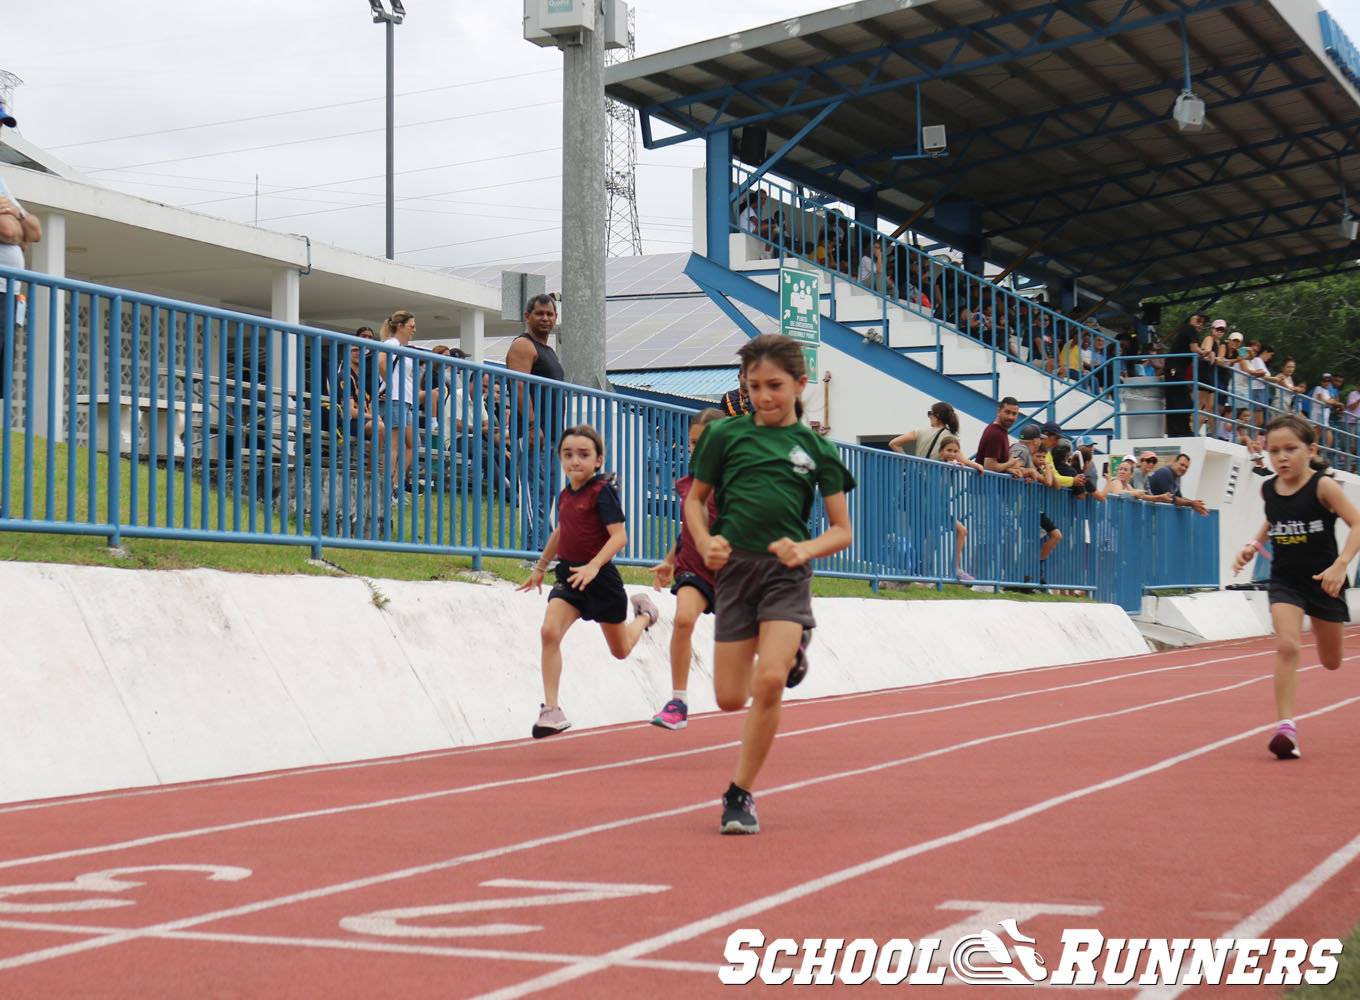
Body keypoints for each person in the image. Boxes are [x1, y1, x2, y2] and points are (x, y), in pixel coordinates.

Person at [685, 334, 855, 834]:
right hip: (735, 572)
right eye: (754, 386)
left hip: (786, 572)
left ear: (800, 385)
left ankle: (740, 793)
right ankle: (786, 651)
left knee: (770, 681)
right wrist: (705, 540)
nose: (763, 396)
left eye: (775, 386)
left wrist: (806, 549)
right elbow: (695, 500)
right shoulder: (723, 436)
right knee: (729, 698)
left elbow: (842, 530)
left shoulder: (818, 449)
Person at [517, 424, 661, 739]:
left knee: (621, 650)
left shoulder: (602, 492)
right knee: (549, 632)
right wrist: (541, 567)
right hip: (569, 577)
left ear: (598, 460)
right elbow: (561, 531)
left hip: (601, 580)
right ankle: (552, 710)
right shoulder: (565, 494)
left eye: (583, 455)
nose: (575, 461)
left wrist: (594, 566)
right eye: (568, 454)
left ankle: (645, 615)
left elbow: (619, 536)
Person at [1233, 415, 1360, 759]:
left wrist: (1340, 564)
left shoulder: (1323, 486)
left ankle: (1323, 623)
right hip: (1285, 580)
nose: (1282, 457)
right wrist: (1253, 544)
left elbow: (1357, 522)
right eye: (1274, 451)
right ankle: (1286, 727)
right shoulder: (1268, 488)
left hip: (1324, 581)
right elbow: (1273, 518)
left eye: (1290, 449)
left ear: (1311, 450)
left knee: (1331, 661)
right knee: (1287, 644)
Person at [648, 407, 726, 731]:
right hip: (694, 565)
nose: (697, 449)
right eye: (693, 443)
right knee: (683, 620)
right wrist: (669, 560)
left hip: (734, 570)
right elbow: (689, 527)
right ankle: (678, 701)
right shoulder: (688, 484)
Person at [507, 294, 567, 543]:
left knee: (548, 492)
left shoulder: (548, 351)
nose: (545, 318)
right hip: (534, 433)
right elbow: (519, 386)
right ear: (527, 316)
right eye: (539, 313)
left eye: (549, 314)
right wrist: (532, 426)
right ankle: (534, 551)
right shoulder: (523, 345)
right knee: (536, 492)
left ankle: (544, 548)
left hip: (551, 434)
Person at [377, 310, 439, 501]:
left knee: (414, 443)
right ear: (400, 326)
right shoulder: (391, 344)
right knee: (394, 445)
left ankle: (395, 483)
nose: (414, 330)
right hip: (395, 399)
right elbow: (381, 361)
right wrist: (390, 384)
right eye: (411, 326)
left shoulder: (401, 347)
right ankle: (386, 488)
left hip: (405, 401)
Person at [936, 434, 981, 581]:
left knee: (962, 530)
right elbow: (937, 486)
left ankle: (955, 569)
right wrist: (949, 467)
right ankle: (923, 574)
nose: (952, 454)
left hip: (940, 509)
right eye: (949, 450)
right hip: (929, 508)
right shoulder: (936, 464)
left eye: (955, 451)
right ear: (940, 451)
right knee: (929, 542)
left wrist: (961, 463)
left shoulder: (952, 466)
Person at [1162, 311, 1208, 435]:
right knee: (1184, 400)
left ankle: (1174, 432)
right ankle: (1184, 430)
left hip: (1175, 368)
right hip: (1175, 369)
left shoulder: (1188, 331)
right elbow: (1195, 349)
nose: (1200, 324)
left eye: (1203, 323)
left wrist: (1204, 353)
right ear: (1191, 320)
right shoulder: (1190, 329)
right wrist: (1207, 353)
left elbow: (1195, 351)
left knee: (1174, 401)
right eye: (1199, 321)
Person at [888, 401, 958, 461]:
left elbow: (893, 443)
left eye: (930, 413)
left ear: (937, 415)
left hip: (920, 470)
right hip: (939, 471)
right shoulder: (952, 435)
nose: (929, 417)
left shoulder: (920, 431)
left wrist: (908, 460)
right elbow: (960, 459)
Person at [976, 396, 1026, 477]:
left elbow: (995, 465)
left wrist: (1009, 469)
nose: (1010, 417)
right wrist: (1009, 464)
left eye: (1014, 414)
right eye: (1007, 412)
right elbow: (989, 467)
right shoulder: (996, 434)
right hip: (985, 483)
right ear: (999, 411)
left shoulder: (998, 430)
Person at [1146, 452, 1210, 515]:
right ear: (1174, 462)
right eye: (1182, 464)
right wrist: (1192, 503)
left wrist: (1196, 504)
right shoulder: (1165, 472)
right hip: (1147, 511)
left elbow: (1179, 497)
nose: (1183, 468)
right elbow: (1172, 499)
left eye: (1186, 467)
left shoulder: (1177, 478)